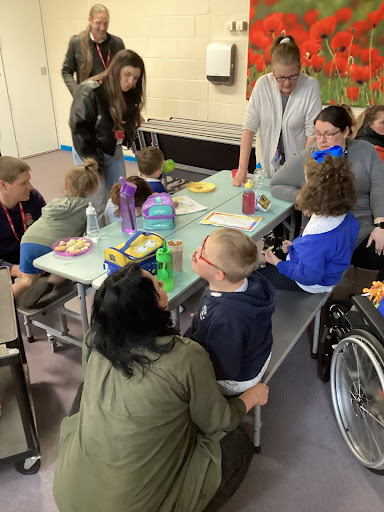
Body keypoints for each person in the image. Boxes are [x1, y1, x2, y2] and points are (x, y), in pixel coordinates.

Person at [53, 263, 269, 512]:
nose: (163, 285)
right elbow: (217, 421)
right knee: (238, 442)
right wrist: (250, 398)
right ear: (154, 307)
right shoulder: (186, 356)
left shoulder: (94, 337)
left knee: (86, 389)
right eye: (158, 285)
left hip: (70, 497)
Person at [269, 105, 384, 280]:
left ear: (345, 131)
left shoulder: (365, 150)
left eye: (329, 134)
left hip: (363, 226)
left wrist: (380, 225)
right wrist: (304, 198)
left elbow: (379, 187)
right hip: (328, 235)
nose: (321, 140)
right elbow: (276, 185)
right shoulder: (308, 156)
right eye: (317, 133)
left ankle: (375, 301)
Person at [185, 228, 274, 396]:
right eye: (203, 243)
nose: (196, 251)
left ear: (219, 274)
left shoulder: (226, 318)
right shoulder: (248, 281)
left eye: (203, 253)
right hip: (257, 351)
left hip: (237, 378)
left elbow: (225, 368)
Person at [261, 150, 359, 293]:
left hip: (310, 283)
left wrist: (278, 264)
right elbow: (326, 250)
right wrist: (298, 247)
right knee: (273, 259)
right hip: (329, 273)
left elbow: (307, 276)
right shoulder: (347, 216)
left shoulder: (317, 231)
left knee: (254, 280)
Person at [70, 48, 146, 225]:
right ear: (116, 69)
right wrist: (93, 164)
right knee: (96, 203)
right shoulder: (89, 90)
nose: (130, 82)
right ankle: (97, 241)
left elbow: (124, 125)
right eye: (127, 75)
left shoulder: (129, 93)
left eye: (135, 78)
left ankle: (117, 235)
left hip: (113, 148)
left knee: (120, 197)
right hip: (89, 151)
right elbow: (79, 129)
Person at [233, 35, 321, 185]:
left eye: (292, 76)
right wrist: (242, 169)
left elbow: (312, 134)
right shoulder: (262, 85)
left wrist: (304, 172)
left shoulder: (310, 86)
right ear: (273, 72)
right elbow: (249, 129)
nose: (286, 83)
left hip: (298, 170)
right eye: (280, 77)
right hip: (265, 170)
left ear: (300, 69)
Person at [13, 159, 99, 301]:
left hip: (28, 241)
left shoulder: (54, 203)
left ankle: (5, 306)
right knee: (72, 257)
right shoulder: (87, 208)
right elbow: (88, 238)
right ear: (93, 189)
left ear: (65, 184)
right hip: (51, 247)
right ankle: (52, 281)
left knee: (27, 281)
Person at [62, 4, 125, 97]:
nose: (102, 28)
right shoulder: (77, 42)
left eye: (106, 23)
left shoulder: (117, 43)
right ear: (90, 20)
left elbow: (124, 70)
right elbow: (66, 71)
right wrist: (77, 92)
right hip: (88, 99)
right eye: (98, 23)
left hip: (112, 98)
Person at [0, 156, 45, 279]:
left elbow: (48, 228)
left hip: (32, 255)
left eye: (28, 181)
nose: (30, 187)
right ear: (3, 185)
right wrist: (16, 270)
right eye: (23, 183)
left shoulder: (33, 197)